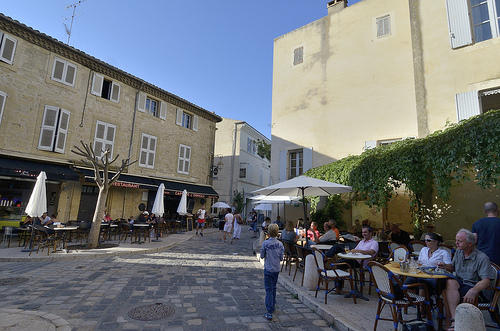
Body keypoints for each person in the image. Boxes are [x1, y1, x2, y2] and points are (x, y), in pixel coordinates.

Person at [438, 229, 496, 330]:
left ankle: (454, 324)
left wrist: (474, 290)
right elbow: (452, 268)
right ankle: (454, 321)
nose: (456, 243)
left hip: (477, 288)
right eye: (456, 240)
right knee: (447, 284)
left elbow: (486, 280)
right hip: (461, 284)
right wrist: (444, 266)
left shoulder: (482, 258)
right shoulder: (459, 253)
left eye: (459, 241)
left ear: (469, 243)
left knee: (446, 292)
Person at [404, 232, 451, 298]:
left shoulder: (443, 253)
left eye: (428, 240)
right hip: (420, 273)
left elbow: (450, 268)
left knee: (423, 286)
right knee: (406, 284)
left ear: (436, 242)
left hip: (432, 277)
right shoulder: (423, 250)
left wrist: (444, 265)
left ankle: (422, 304)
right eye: (425, 240)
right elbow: (419, 262)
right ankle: (419, 301)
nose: (426, 242)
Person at [260, 223, 284, 321]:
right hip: (276, 269)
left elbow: (262, 255)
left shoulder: (266, 243)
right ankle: (273, 305)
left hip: (268, 268)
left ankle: (269, 311)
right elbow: (281, 257)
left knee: (269, 289)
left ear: (268, 233)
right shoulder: (280, 244)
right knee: (273, 287)